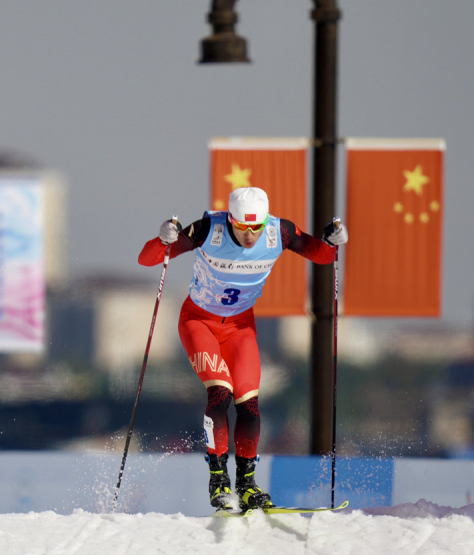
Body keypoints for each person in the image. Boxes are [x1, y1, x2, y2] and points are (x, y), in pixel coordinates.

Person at [137, 187, 348, 511]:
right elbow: (148, 259)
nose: (250, 236)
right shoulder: (209, 229)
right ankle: (218, 480)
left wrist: (333, 242)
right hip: (200, 322)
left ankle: (247, 484)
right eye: (242, 227)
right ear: (230, 220)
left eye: (256, 227)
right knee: (220, 395)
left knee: (249, 405)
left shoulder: (280, 231)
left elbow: (321, 255)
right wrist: (162, 239)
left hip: (240, 328)